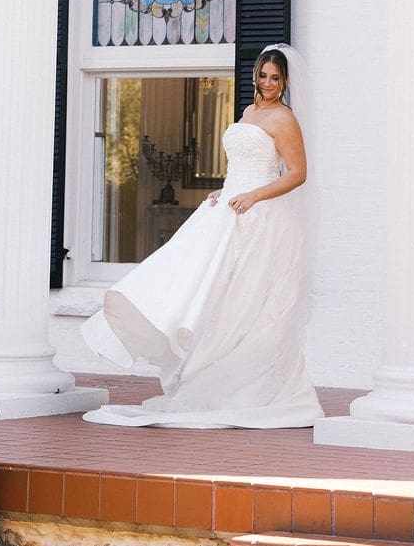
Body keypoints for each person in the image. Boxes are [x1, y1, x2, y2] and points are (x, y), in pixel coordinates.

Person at [81, 44, 323, 428]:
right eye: (263, 75)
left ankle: (251, 385)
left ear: (285, 81)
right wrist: (225, 190)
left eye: (276, 78)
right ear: (255, 76)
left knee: (244, 301)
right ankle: (203, 377)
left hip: (258, 216)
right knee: (202, 287)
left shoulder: (284, 119)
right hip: (229, 205)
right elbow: (243, 164)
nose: (269, 83)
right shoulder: (249, 113)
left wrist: (253, 196)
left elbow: (296, 173)